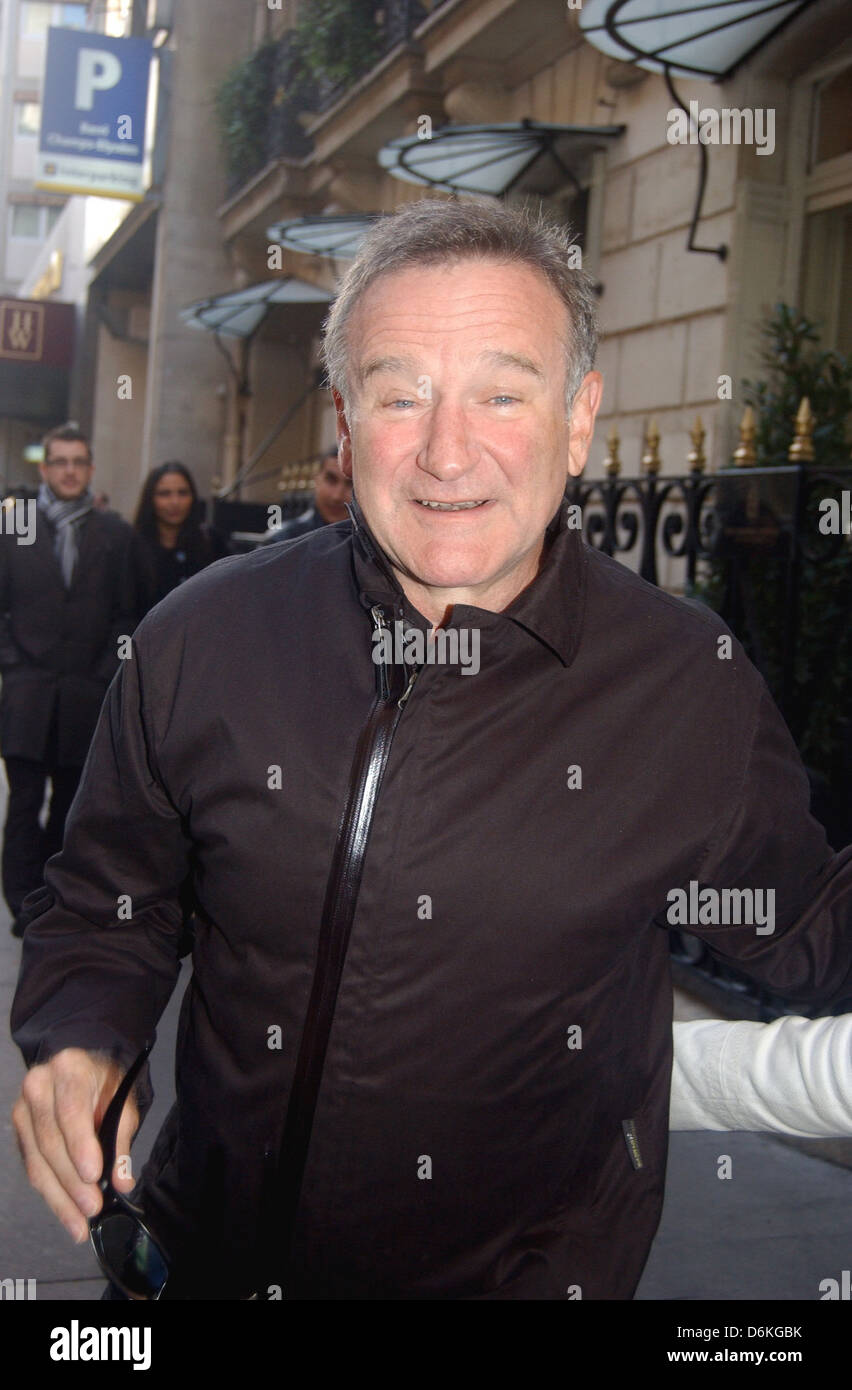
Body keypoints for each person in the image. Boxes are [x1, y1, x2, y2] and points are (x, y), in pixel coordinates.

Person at [10, 200, 852, 1301]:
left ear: (581, 416)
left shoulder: (691, 688)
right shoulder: (200, 638)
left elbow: (813, 928)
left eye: (503, 394)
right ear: (349, 423)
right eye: (402, 394)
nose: (449, 451)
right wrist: (82, 1035)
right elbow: (107, 897)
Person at [0, 424, 134, 940]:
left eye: (79, 461)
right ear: (45, 469)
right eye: (60, 462)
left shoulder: (113, 535)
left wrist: (103, 672)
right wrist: (12, 664)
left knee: (70, 805)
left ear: (91, 469)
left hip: (84, 692)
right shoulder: (17, 527)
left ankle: (51, 898)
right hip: (28, 692)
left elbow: (127, 612)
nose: (70, 470)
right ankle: (19, 903)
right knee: (23, 803)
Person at [129, 461, 227, 621]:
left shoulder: (212, 541)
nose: (175, 502)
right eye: (164, 494)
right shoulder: (132, 547)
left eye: (182, 493)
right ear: (150, 499)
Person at [258, 445, 352, 544]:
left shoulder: (366, 546)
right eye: (331, 480)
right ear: (316, 479)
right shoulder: (283, 541)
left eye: (350, 484)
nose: (337, 496)